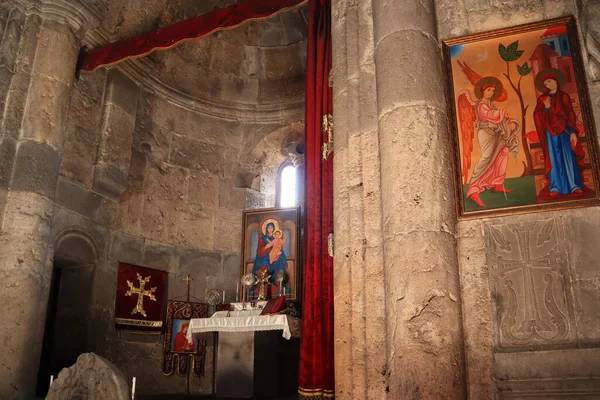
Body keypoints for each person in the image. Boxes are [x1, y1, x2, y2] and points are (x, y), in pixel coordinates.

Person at [459, 76, 519, 207]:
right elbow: (489, 115)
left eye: (492, 91)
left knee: (503, 151)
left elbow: (498, 119)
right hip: (485, 133)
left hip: (495, 132)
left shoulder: (490, 104)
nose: (491, 93)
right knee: (486, 158)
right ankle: (473, 190)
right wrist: (502, 112)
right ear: (483, 91)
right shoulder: (480, 105)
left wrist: (510, 125)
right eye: (489, 90)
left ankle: (497, 183)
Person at [533, 68, 585, 199]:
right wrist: (545, 108)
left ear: (555, 81)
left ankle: (574, 185)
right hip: (550, 132)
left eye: (549, 82)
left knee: (568, 156)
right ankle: (555, 186)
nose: (548, 85)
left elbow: (570, 114)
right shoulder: (543, 99)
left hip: (565, 130)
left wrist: (573, 132)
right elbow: (537, 115)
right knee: (554, 158)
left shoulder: (564, 96)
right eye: (545, 84)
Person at [252, 222, 288, 294]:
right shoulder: (263, 239)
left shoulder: (277, 239)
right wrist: (266, 248)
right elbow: (259, 251)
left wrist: (280, 252)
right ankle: (265, 286)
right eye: (268, 228)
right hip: (264, 257)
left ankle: (277, 283)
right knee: (265, 264)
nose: (270, 229)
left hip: (274, 255)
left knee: (279, 261)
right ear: (266, 229)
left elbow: (279, 247)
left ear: (274, 229)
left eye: (271, 228)